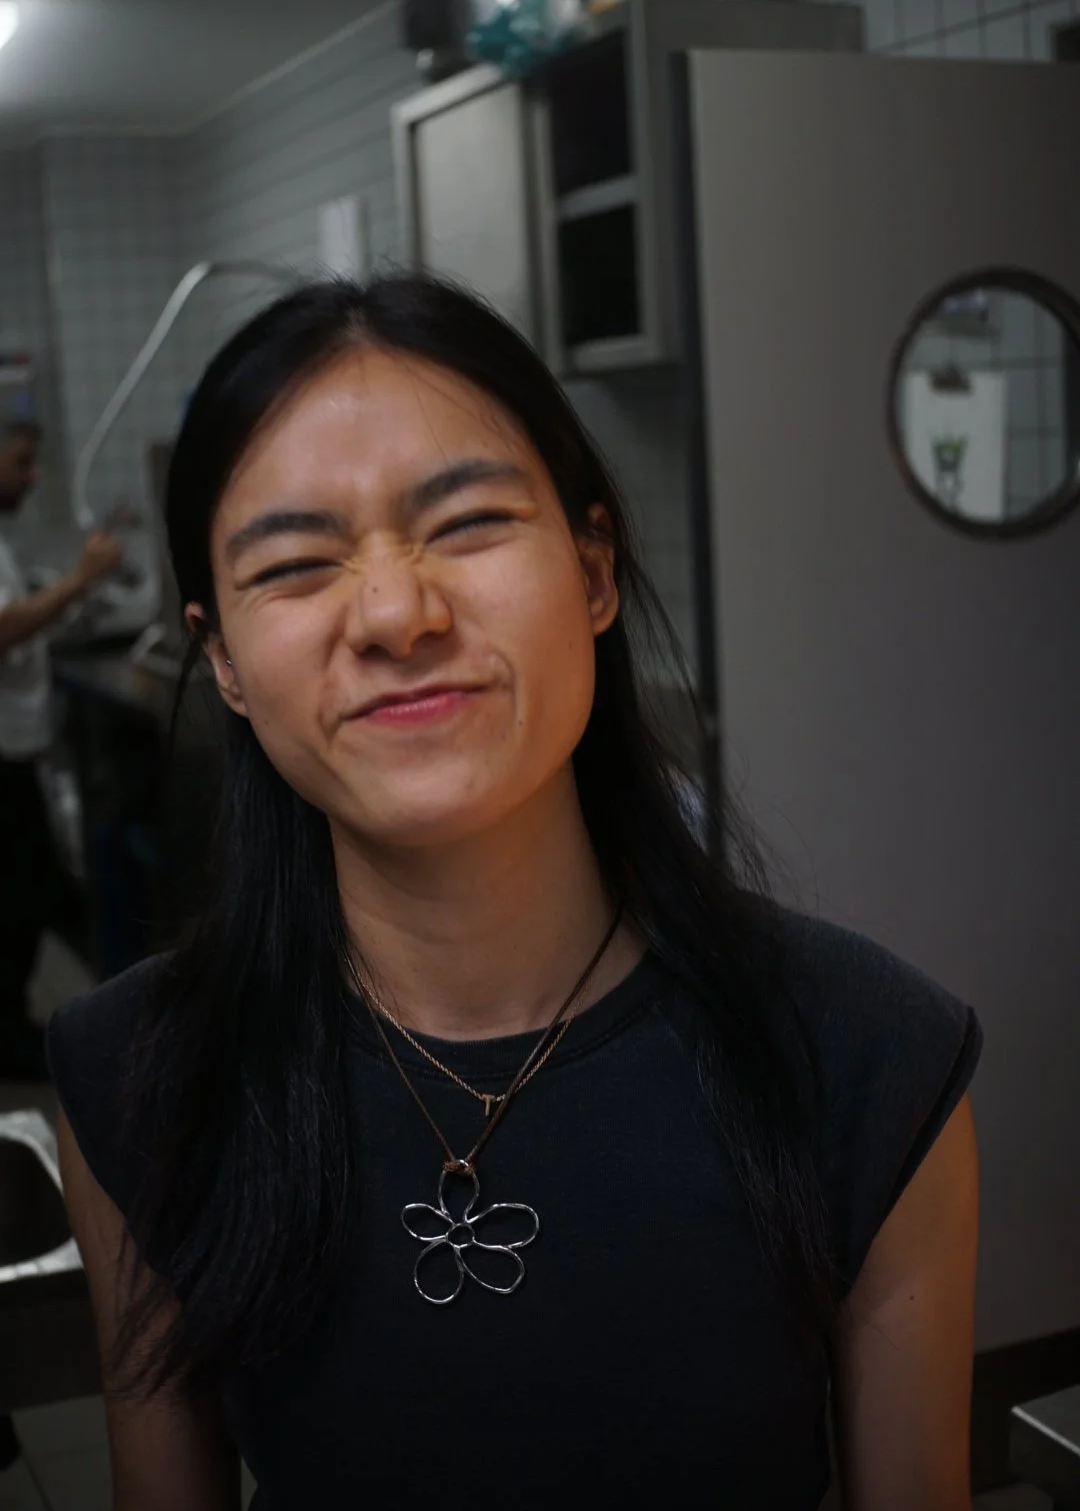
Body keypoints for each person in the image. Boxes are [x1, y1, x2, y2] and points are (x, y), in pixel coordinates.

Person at [46, 278, 982, 1510]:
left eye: (470, 521)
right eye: (297, 563)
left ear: (594, 571)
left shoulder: (865, 1056)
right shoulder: (147, 1076)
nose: (396, 612)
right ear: (221, 655)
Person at [0, 417, 122, 1080]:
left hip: (15, 749)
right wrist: (81, 579)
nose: (32, 477)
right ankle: (10, 1036)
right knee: (21, 893)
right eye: (21, 462)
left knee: (31, 887)